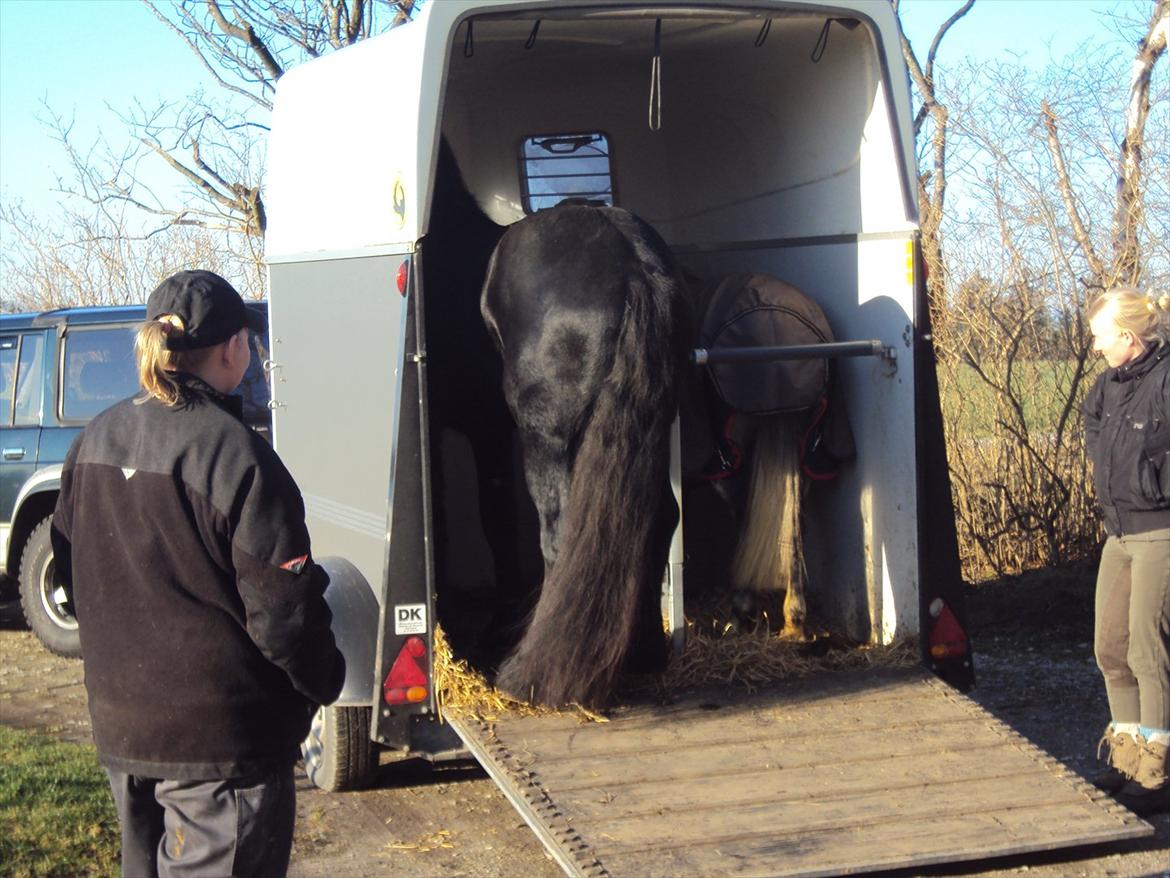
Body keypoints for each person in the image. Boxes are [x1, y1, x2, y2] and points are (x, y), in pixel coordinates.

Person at [51, 270, 345, 876]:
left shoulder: (94, 439)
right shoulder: (236, 454)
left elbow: (73, 580)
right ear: (232, 349)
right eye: (249, 342)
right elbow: (284, 617)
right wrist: (326, 679)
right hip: (223, 751)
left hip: (124, 735)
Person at [1083, 285, 1170, 817]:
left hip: (1161, 531)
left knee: (1148, 651)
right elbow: (1094, 428)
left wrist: (1155, 481)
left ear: (1129, 338)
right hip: (1119, 532)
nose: (1095, 347)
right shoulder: (1108, 386)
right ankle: (1128, 760)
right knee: (1110, 648)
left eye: (1100, 337)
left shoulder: (1166, 380)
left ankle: (1158, 772)